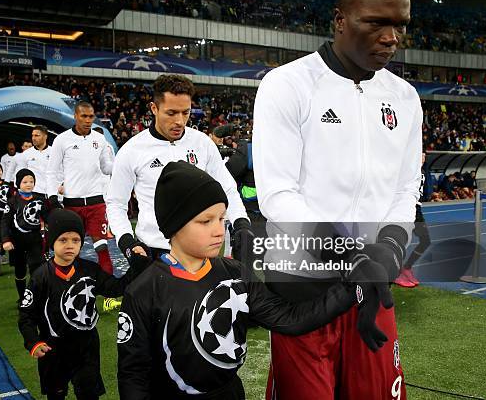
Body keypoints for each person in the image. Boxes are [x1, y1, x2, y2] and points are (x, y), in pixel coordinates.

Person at [253, 0, 421, 399]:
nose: (391, 37)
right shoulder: (287, 85)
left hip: (372, 283)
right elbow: (277, 194)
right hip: (302, 286)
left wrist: (386, 249)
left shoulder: (405, 98)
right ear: (340, 19)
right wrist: (353, 255)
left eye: (399, 25)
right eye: (376, 22)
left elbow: (405, 189)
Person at [117, 161, 357, 399]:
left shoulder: (234, 273)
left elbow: (289, 319)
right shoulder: (144, 290)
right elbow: (133, 374)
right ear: (175, 225)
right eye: (205, 221)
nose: (219, 230)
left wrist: (351, 287)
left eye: (222, 219)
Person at [106, 74, 253, 262]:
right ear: (154, 108)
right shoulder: (132, 150)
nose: (180, 121)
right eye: (171, 113)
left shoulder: (202, 143)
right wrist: (127, 242)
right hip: (154, 251)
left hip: (198, 250)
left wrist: (241, 223)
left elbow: (228, 189)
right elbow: (116, 203)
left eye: (186, 112)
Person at [18, 209, 149, 400]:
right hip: (53, 349)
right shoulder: (41, 276)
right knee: (56, 393)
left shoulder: (90, 270)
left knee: (89, 393)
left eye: (76, 240)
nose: (70, 245)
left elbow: (115, 288)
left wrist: (137, 265)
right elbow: (26, 315)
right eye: (63, 240)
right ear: (52, 241)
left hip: (86, 347)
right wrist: (33, 341)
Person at [47, 102, 115, 275]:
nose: (88, 120)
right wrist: (52, 197)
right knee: (70, 249)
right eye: (84, 116)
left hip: (97, 203)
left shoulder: (99, 139)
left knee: (102, 247)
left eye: (91, 116)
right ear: (75, 116)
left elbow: (106, 167)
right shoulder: (62, 140)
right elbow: (52, 171)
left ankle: (108, 294)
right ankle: (71, 286)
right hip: (72, 204)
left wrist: (123, 166)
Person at [1, 169, 48, 303]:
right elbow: (5, 222)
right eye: (25, 182)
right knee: (20, 269)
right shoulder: (12, 201)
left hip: (35, 239)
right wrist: (6, 240)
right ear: (18, 183)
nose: (29, 184)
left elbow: (47, 217)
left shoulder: (39, 200)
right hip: (17, 240)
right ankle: (22, 297)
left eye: (31, 181)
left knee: (37, 268)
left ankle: (35, 295)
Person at [395, 153, 431, 288]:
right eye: (420, 154)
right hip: (405, 207)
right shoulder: (407, 170)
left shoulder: (423, 170)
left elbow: (426, 191)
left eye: (424, 155)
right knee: (400, 240)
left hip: (417, 208)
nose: (423, 157)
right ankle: (395, 273)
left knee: (425, 240)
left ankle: (407, 267)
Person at [14, 126, 53, 197]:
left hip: (52, 192)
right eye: (32, 135)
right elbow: (20, 173)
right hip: (33, 192)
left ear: (45, 137)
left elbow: (61, 171)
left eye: (37, 135)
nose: (33, 138)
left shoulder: (54, 152)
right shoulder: (26, 154)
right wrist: (17, 189)